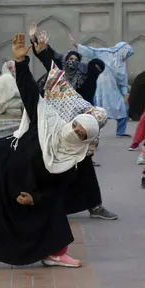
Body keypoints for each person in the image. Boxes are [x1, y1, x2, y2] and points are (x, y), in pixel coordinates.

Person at [0, 33, 100, 272]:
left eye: (81, 133)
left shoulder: (72, 160)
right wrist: (22, 62)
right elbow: (29, 95)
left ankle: (55, 252)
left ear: (85, 142)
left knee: (51, 207)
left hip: (28, 185)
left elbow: (56, 191)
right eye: (76, 124)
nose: (74, 131)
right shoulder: (48, 123)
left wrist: (35, 198)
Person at [31, 31, 117, 220]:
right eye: (68, 59)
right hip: (54, 133)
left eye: (74, 59)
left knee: (85, 169)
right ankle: (40, 204)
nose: (71, 62)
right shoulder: (66, 91)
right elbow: (52, 69)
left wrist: (83, 135)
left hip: (75, 143)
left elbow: (90, 141)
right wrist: (41, 47)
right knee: (48, 168)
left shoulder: (89, 118)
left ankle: (95, 206)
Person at [69, 34, 133, 137]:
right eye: (126, 53)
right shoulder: (105, 53)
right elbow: (91, 51)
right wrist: (77, 46)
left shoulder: (121, 63)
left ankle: (120, 132)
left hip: (113, 89)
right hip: (100, 87)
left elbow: (122, 79)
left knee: (123, 108)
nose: (126, 56)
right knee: (97, 109)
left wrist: (125, 93)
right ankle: (93, 130)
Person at [29, 25, 105, 105]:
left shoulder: (81, 78)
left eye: (76, 60)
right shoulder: (58, 70)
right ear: (66, 60)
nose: (73, 61)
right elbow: (43, 56)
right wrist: (33, 39)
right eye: (71, 59)